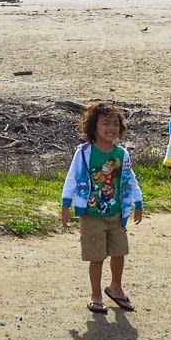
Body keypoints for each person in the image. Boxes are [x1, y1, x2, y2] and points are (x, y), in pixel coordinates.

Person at [60, 101, 144, 314]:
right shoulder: (84, 152)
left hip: (117, 213)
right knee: (96, 257)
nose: (111, 128)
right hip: (91, 215)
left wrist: (138, 202)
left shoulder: (122, 154)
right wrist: (66, 204)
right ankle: (96, 295)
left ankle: (116, 287)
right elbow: (72, 178)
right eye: (105, 123)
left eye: (115, 123)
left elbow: (130, 179)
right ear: (93, 126)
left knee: (119, 252)